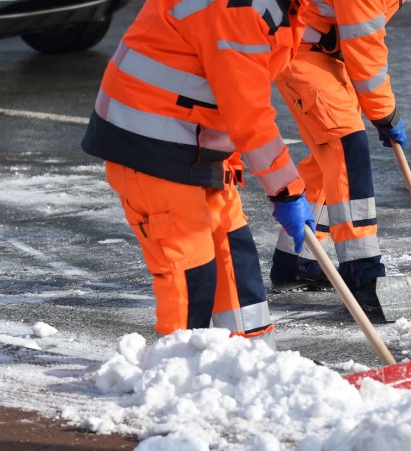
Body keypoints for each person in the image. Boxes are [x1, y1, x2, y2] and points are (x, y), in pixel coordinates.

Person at [81, 0, 314, 349]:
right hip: (148, 143)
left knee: (235, 252)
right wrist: (287, 191)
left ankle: (255, 357)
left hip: (194, 140)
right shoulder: (238, 10)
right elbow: (248, 111)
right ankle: (181, 372)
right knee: (191, 271)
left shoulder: (287, 5)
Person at [268, 0, 408, 312]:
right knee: (346, 146)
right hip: (299, 49)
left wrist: (382, 112)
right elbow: (365, 50)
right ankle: (362, 273)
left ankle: (295, 260)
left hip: (322, 53)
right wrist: (386, 114)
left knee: (328, 157)